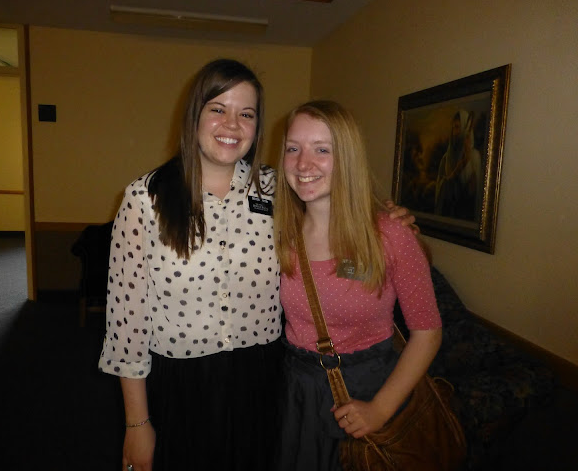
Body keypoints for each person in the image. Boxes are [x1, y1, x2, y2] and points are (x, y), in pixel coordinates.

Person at [99, 59, 418, 471]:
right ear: (194, 115)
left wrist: (387, 216)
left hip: (264, 380)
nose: (232, 125)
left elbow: (337, 201)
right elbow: (126, 325)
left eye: (246, 114)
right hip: (180, 384)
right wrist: (137, 423)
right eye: (218, 109)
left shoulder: (277, 189)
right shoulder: (145, 199)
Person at [273, 100, 442, 470]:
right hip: (296, 394)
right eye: (293, 148)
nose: (303, 164)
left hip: (367, 391)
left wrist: (380, 409)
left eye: (322, 150)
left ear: (347, 157)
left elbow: (427, 332)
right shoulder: (277, 234)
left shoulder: (390, 234)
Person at [435, 109, 482, 220]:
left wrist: (467, 159)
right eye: (453, 128)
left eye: (458, 127)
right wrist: (462, 164)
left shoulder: (475, 156)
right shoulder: (446, 158)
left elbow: (474, 193)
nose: (455, 132)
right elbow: (441, 188)